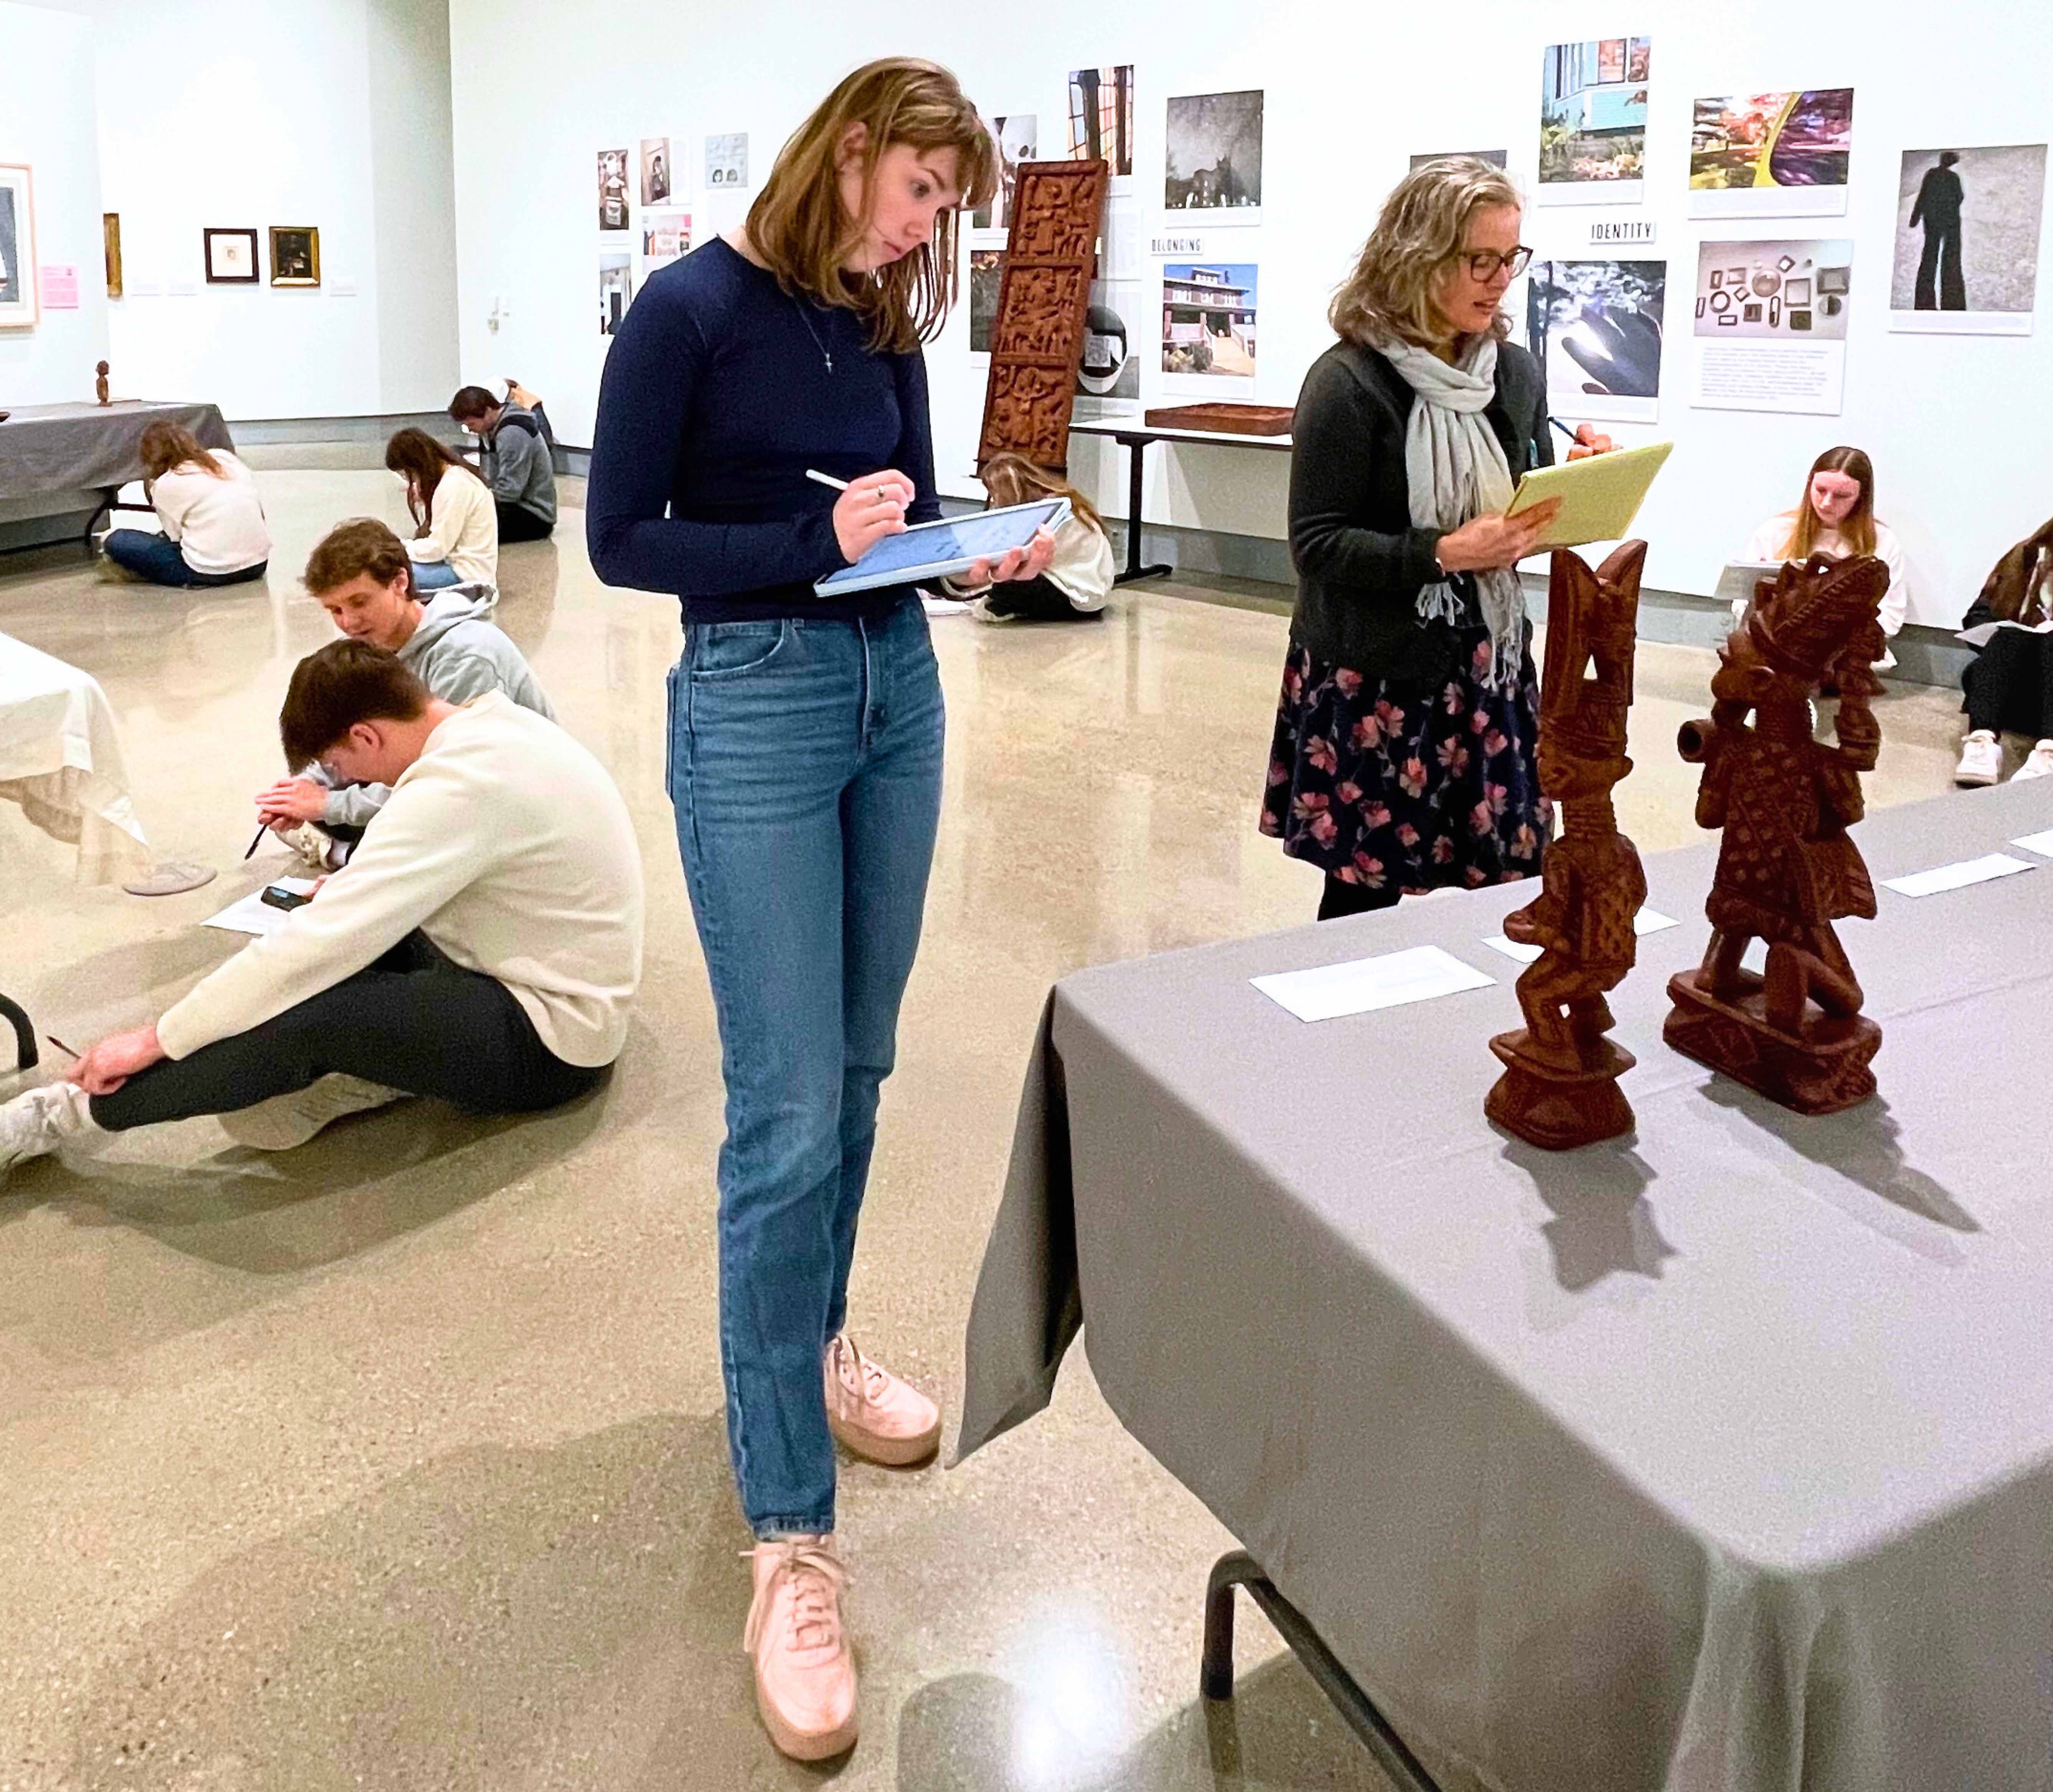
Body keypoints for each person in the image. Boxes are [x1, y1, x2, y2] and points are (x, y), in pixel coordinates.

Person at [586, 57, 1047, 1762]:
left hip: (893, 692)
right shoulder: (688, 310)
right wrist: (799, 544)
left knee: (858, 1072)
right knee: (782, 1114)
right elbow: (624, 537)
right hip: (761, 702)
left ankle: (818, 1338)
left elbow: (901, 514)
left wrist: (964, 548)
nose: (934, 229)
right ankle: (790, 1528)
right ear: (854, 155)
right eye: (925, 193)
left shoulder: (884, 327)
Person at [0, 640, 641, 1174]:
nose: (358, 785)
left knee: (311, 1003)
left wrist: (152, 1039)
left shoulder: (457, 788)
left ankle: (60, 1114)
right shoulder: (489, 725)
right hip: (514, 967)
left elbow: (311, 950)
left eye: (343, 766)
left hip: (555, 1043)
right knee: (309, 965)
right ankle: (384, 1068)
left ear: (366, 733)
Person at [1260, 156, 1561, 922]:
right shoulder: (1348, 382)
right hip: (1375, 678)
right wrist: (1442, 552)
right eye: (1478, 260)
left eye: (1509, 259)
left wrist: (1582, 480)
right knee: (1364, 893)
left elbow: (1530, 487)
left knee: (1499, 880)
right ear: (1417, 257)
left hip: (1485, 668)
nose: (1498, 280)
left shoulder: (1514, 373)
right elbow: (1317, 545)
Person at [254, 518, 555, 864]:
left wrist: (328, 805)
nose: (348, 623)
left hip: (499, 805)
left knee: (396, 830)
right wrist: (303, 788)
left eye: (360, 602)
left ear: (400, 581)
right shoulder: (369, 644)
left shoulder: (467, 656)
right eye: (336, 610)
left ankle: (346, 856)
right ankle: (349, 853)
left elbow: (456, 782)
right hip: (418, 781)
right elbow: (344, 740)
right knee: (298, 811)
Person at [1739, 448, 1907, 668]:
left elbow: (1891, 614)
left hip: (1844, 650)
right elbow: (1743, 600)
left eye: (1841, 496)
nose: (1826, 503)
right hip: (1779, 640)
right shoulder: (1775, 531)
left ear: (1861, 498)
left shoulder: (1883, 541)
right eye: (1820, 490)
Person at [100, 421, 270, 588]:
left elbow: (174, 537)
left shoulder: (167, 483)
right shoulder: (225, 458)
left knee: (115, 540)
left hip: (210, 572)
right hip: (258, 564)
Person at [946, 453, 1114, 622]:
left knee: (1005, 582)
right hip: (1093, 594)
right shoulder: (1066, 500)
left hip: (1076, 598)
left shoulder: (1045, 513)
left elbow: (1012, 554)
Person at [1955, 510, 2053, 786]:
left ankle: (2048, 751)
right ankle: (1982, 741)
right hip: (2014, 693)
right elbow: (1977, 616)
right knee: (2009, 635)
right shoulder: (2026, 558)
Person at [384, 426, 496, 590]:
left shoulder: (453, 486)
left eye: (407, 474)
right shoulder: (455, 477)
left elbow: (438, 548)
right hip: (461, 565)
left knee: (387, 576)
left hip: (466, 574)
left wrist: (400, 547)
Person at [448, 384, 558, 542]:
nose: (470, 430)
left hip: (534, 515)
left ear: (487, 412)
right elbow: (489, 477)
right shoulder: (489, 429)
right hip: (510, 504)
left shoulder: (514, 432)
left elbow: (510, 491)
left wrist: (476, 503)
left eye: (471, 424)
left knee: (467, 527)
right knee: (459, 515)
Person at [1912, 151, 1966, 313]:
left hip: (1932, 220)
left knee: (1930, 253)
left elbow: (1923, 196)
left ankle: (1924, 298)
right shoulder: (1953, 178)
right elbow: (1960, 197)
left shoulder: (1931, 175)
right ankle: (1952, 299)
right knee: (1951, 258)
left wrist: (1916, 216)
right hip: (1950, 221)